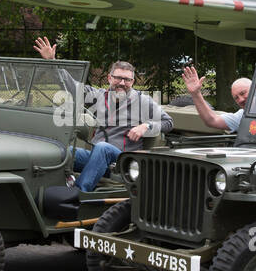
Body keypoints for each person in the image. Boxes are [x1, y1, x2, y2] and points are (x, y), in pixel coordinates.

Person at [35, 36, 172, 191]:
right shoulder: (98, 96)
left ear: (132, 82)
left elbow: (168, 122)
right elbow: (71, 87)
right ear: (109, 78)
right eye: (118, 78)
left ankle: (78, 193)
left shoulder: (142, 101)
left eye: (127, 80)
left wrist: (146, 126)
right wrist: (53, 63)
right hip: (96, 157)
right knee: (61, 151)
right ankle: (48, 190)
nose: (122, 83)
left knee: (103, 148)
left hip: (123, 162)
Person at [181, 66, 250, 131]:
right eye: (236, 98)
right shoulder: (242, 117)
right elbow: (212, 120)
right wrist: (195, 94)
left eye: (243, 93)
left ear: (255, 89)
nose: (241, 100)